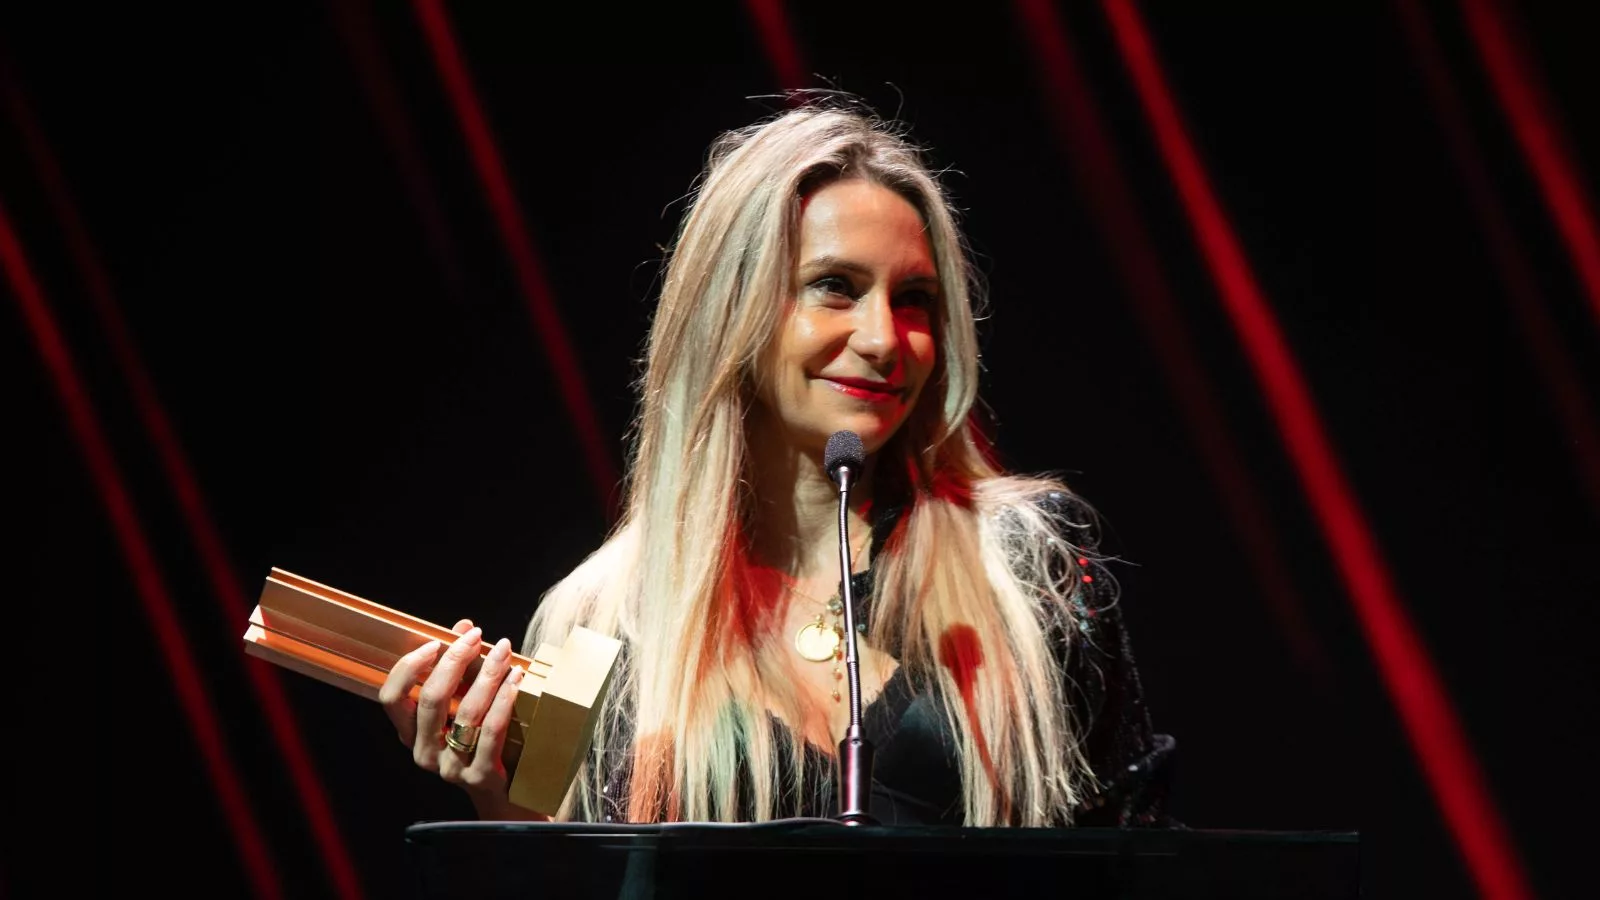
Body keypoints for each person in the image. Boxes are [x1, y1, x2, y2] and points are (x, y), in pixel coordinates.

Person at [379, 99, 1176, 827]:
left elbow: (1139, 862)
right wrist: (499, 803)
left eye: (914, 300)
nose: (884, 339)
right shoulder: (595, 623)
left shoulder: (1025, 569)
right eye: (835, 286)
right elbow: (571, 878)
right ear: (731, 308)